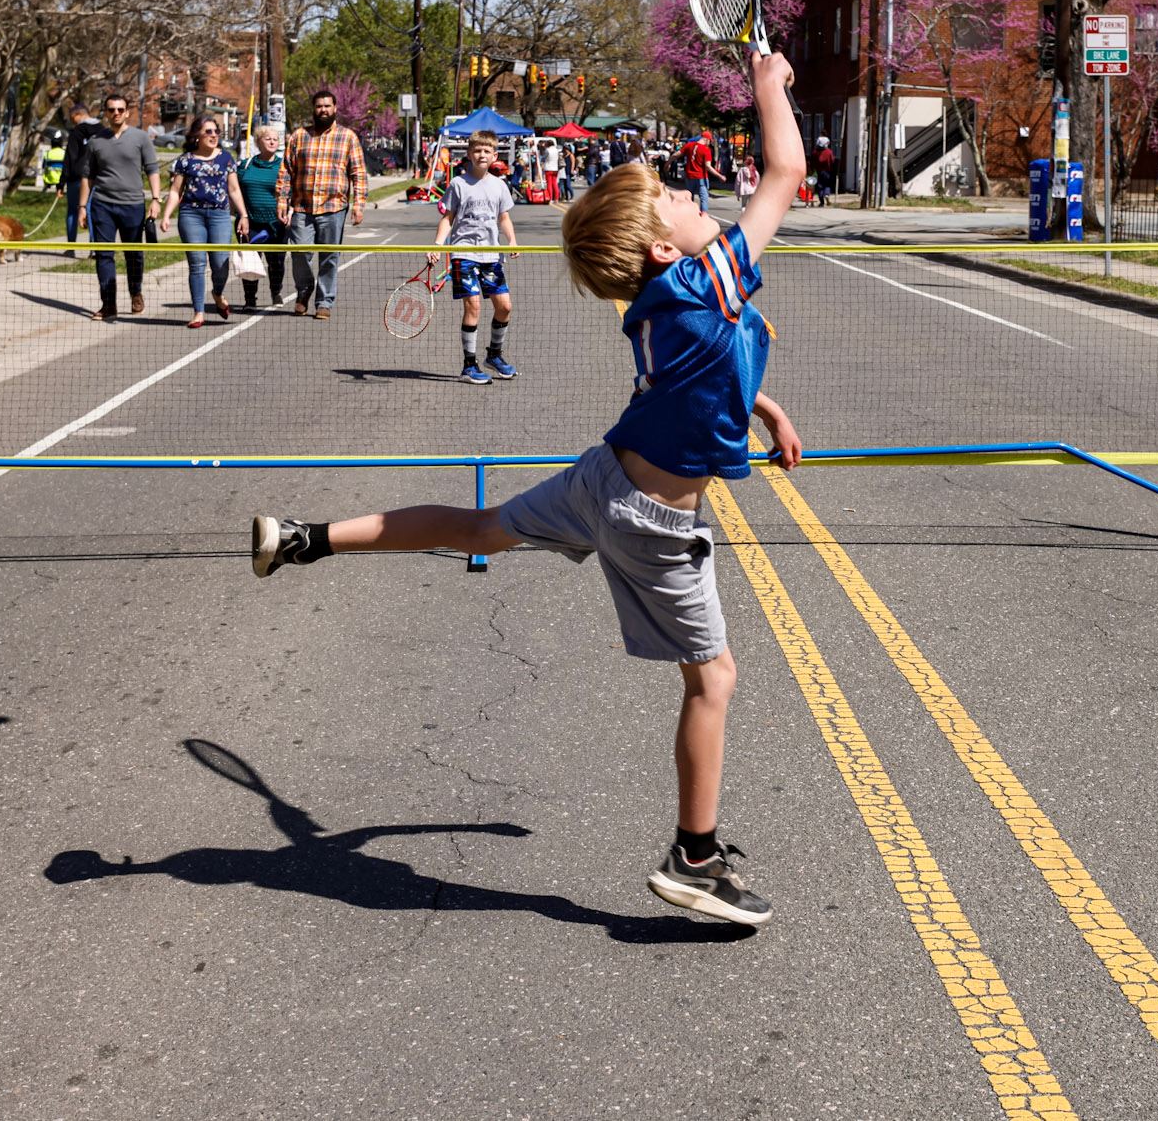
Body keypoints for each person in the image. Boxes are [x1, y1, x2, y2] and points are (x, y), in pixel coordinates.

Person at [248, 50, 807, 927]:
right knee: (715, 680)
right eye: (677, 199)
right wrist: (770, 89)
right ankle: (695, 860)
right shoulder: (704, 281)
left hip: (604, 478)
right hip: (654, 520)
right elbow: (786, 170)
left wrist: (763, 408)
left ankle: (305, 536)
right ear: (667, 248)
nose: (695, 199)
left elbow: (695, 382)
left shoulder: (672, 303)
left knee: (479, 528)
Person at [431, 130, 519, 384]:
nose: (482, 155)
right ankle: (469, 365)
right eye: (477, 150)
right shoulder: (458, 184)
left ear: (494, 155)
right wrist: (437, 245)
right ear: (469, 154)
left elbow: (504, 217)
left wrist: (511, 240)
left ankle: (494, 355)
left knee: (504, 307)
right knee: (474, 306)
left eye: (487, 151)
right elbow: (448, 218)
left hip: (491, 255)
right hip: (464, 253)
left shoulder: (499, 185)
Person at [277, 89, 368, 322]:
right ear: (313, 109)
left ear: (335, 108)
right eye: (319, 106)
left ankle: (324, 301)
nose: (323, 110)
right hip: (302, 207)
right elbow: (287, 170)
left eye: (327, 106)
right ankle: (304, 289)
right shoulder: (298, 136)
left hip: (334, 207)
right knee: (299, 253)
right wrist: (281, 199)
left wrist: (359, 204)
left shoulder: (348, 137)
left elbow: (358, 172)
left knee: (329, 256)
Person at [76, 93, 162, 322]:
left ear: (127, 112)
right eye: (111, 110)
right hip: (102, 206)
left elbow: (153, 170)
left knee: (134, 254)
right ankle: (108, 304)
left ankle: (136, 292)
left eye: (120, 109)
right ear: (105, 113)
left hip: (133, 205)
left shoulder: (140, 138)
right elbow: (88, 177)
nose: (116, 113)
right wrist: (82, 207)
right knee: (104, 255)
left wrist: (155, 199)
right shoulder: (95, 141)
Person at [163, 115, 247, 328]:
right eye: (208, 131)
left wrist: (243, 215)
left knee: (220, 262)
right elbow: (175, 191)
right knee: (197, 264)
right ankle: (198, 312)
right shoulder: (185, 160)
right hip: (191, 215)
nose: (213, 135)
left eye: (216, 132)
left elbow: (234, 190)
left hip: (219, 215)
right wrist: (166, 216)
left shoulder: (226, 159)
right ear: (197, 136)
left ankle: (218, 293)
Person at [236, 123, 287, 311]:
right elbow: (235, 191)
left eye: (275, 139)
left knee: (276, 261)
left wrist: (288, 213)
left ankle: (276, 291)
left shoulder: (284, 166)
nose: (272, 141)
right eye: (268, 138)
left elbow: (290, 192)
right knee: (250, 261)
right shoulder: (245, 165)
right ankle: (250, 299)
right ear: (258, 142)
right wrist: (240, 214)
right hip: (250, 222)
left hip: (276, 223)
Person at [61, 102, 101, 254]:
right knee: (92, 210)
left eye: (72, 119)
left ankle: (71, 247)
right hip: (96, 177)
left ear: (77, 115)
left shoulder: (77, 131)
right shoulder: (103, 129)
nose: (72, 122)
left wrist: (61, 183)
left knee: (72, 211)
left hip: (76, 178)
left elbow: (69, 158)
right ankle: (94, 249)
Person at [683, 129, 716, 215]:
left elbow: (676, 154)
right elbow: (708, 166)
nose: (709, 143)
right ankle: (703, 215)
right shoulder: (706, 150)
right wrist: (720, 176)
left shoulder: (689, 145)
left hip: (689, 176)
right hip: (701, 178)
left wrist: (668, 163)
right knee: (704, 198)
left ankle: (689, 214)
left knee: (689, 197)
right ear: (706, 139)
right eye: (710, 141)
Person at [813, 136, 837, 207]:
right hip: (827, 171)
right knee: (827, 184)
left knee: (820, 186)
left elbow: (812, 161)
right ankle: (826, 194)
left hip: (819, 171)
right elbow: (832, 161)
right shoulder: (829, 152)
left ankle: (822, 202)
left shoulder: (815, 152)